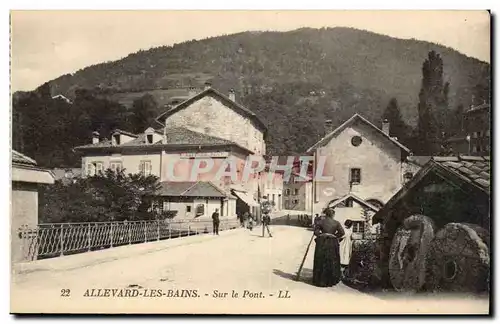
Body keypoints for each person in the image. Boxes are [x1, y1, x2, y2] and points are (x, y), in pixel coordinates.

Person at [312, 208, 345, 287]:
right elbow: (342, 233)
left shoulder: (320, 222)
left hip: (322, 243)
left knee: (321, 259)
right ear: (333, 215)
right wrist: (334, 236)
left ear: (326, 214)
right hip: (332, 243)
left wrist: (321, 235)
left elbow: (315, 232)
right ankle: (331, 280)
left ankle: (319, 280)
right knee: (331, 260)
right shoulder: (336, 223)